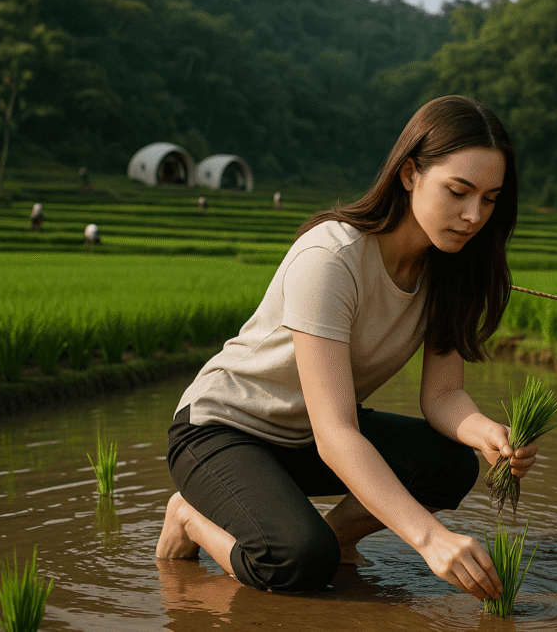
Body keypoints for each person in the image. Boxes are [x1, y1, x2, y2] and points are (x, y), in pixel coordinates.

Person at [155, 95, 537, 598]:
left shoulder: (449, 272)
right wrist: (429, 538)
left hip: (305, 438)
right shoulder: (331, 256)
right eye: (458, 191)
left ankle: (328, 542)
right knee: (295, 564)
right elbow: (335, 432)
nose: (473, 216)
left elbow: (443, 395)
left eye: (489, 199)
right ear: (409, 174)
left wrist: (487, 432)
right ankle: (189, 517)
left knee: (451, 464)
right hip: (223, 431)